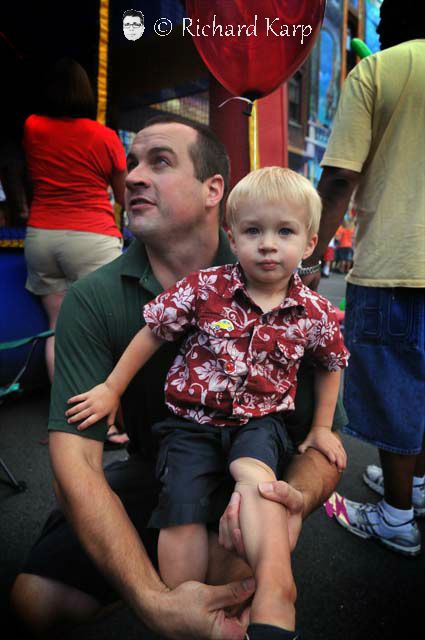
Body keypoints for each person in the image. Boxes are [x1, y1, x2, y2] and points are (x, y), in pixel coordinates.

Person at [11, 115, 348, 640]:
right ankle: (174, 608)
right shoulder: (94, 297)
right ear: (236, 232)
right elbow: (73, 460)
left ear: (215, 189)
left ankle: (258, 596)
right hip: (167, 458)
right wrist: (153, 603)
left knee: (241, 536)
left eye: (160, 162)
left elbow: (324, 441)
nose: (133, 179)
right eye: (131, 165)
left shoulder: (298, 302)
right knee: (35, 602)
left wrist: (294, 504)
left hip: (255, 464)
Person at [300, 0, 425, 556]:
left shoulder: (378, 70)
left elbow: (338, 179)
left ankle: (396, 516)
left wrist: (309, 258)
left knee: (396, 389)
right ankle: (416, 486)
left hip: (396, 263)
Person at [23, 57, 128, 447]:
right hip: (92, 237)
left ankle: (67, 416)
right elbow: (121, 193)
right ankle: (111, 424)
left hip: (42, 236)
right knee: (105, 331)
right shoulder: (104, 136)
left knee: (57, 327)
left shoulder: (33, 127)